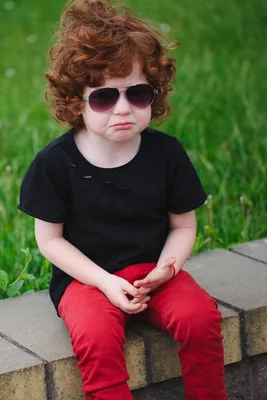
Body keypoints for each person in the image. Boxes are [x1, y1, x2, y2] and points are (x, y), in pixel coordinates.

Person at [17, 0, 227, 399]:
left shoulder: (166, 154)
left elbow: (183, 224)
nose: (124, 109)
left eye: (138, 94)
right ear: (76, 100)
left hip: (154, 273)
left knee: (200, 318)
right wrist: (104, 282)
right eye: (104, 98)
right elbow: (50, 241)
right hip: (87, 280)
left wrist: (169, 267)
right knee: (95, 339)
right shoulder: (55, 164)